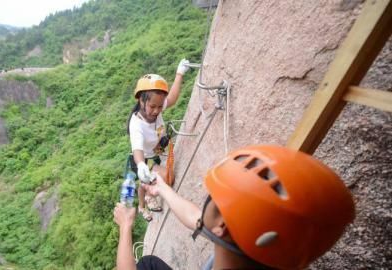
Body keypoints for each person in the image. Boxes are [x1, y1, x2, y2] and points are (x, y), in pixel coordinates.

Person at [114, 145, 355, 269]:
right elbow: (199, 218)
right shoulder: (270, 252)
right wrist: (163, 189)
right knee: (148, 264)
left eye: (214, 196)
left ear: (222, 226)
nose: (208, 198)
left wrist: (126, 226)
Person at [127, 59, 190, 221]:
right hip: (144, 158)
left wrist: (179, 74)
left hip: (156, 151)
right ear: (141, 100)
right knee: (167, 178)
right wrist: (141, 165)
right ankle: (145, 201)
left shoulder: (157, 104)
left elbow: (173, 98)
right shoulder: (136, 124)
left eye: (160, 106)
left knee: (145, 179)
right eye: (152, 106)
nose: (156, 111)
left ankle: (143, 199)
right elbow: (137, 149)